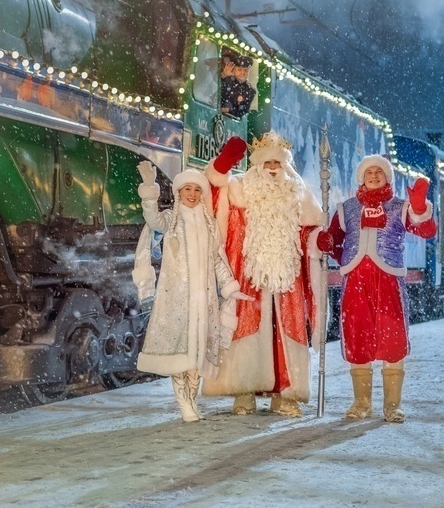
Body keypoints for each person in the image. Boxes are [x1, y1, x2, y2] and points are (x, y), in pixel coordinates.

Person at [202, 132, 324, 417]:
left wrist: (321, 239)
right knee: (245, 327)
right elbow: (212, 191)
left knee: (286, 332)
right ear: (256, 165)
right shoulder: (241, 188)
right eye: (266, 162)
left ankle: (286, 394)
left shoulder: (300, 192)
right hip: (249, 272)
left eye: (277, 163)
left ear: (286, 166)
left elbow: (312, 232)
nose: (271, 168)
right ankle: (244, 391)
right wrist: (222, 164)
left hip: (287, 276)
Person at [317, 155, 436, 423]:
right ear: (361, 177)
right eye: (368, 172)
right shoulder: (346, 208)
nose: (373, 176)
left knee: (391, 339)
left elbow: (427, 231)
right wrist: (326, 242)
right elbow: (334, 243)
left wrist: (419, 207)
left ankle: (392, 405)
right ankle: (361, 403)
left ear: (387, 177)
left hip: (388, 282)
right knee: (358, 339)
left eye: (378, 172)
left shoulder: (400, 207)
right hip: (356, 283)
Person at [133, 162, 250, 422]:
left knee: (198, 355)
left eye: (197, 189)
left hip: (204, 300)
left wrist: (230, 289)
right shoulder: (171, 220)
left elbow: (218, 261)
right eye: (187, 188)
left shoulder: (209, 226)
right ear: (178, 192)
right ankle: (184, 403)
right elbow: (152, 219)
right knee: (180, 351)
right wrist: (150, 189)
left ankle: (192, 399)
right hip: (177, 299)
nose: (192, 194)